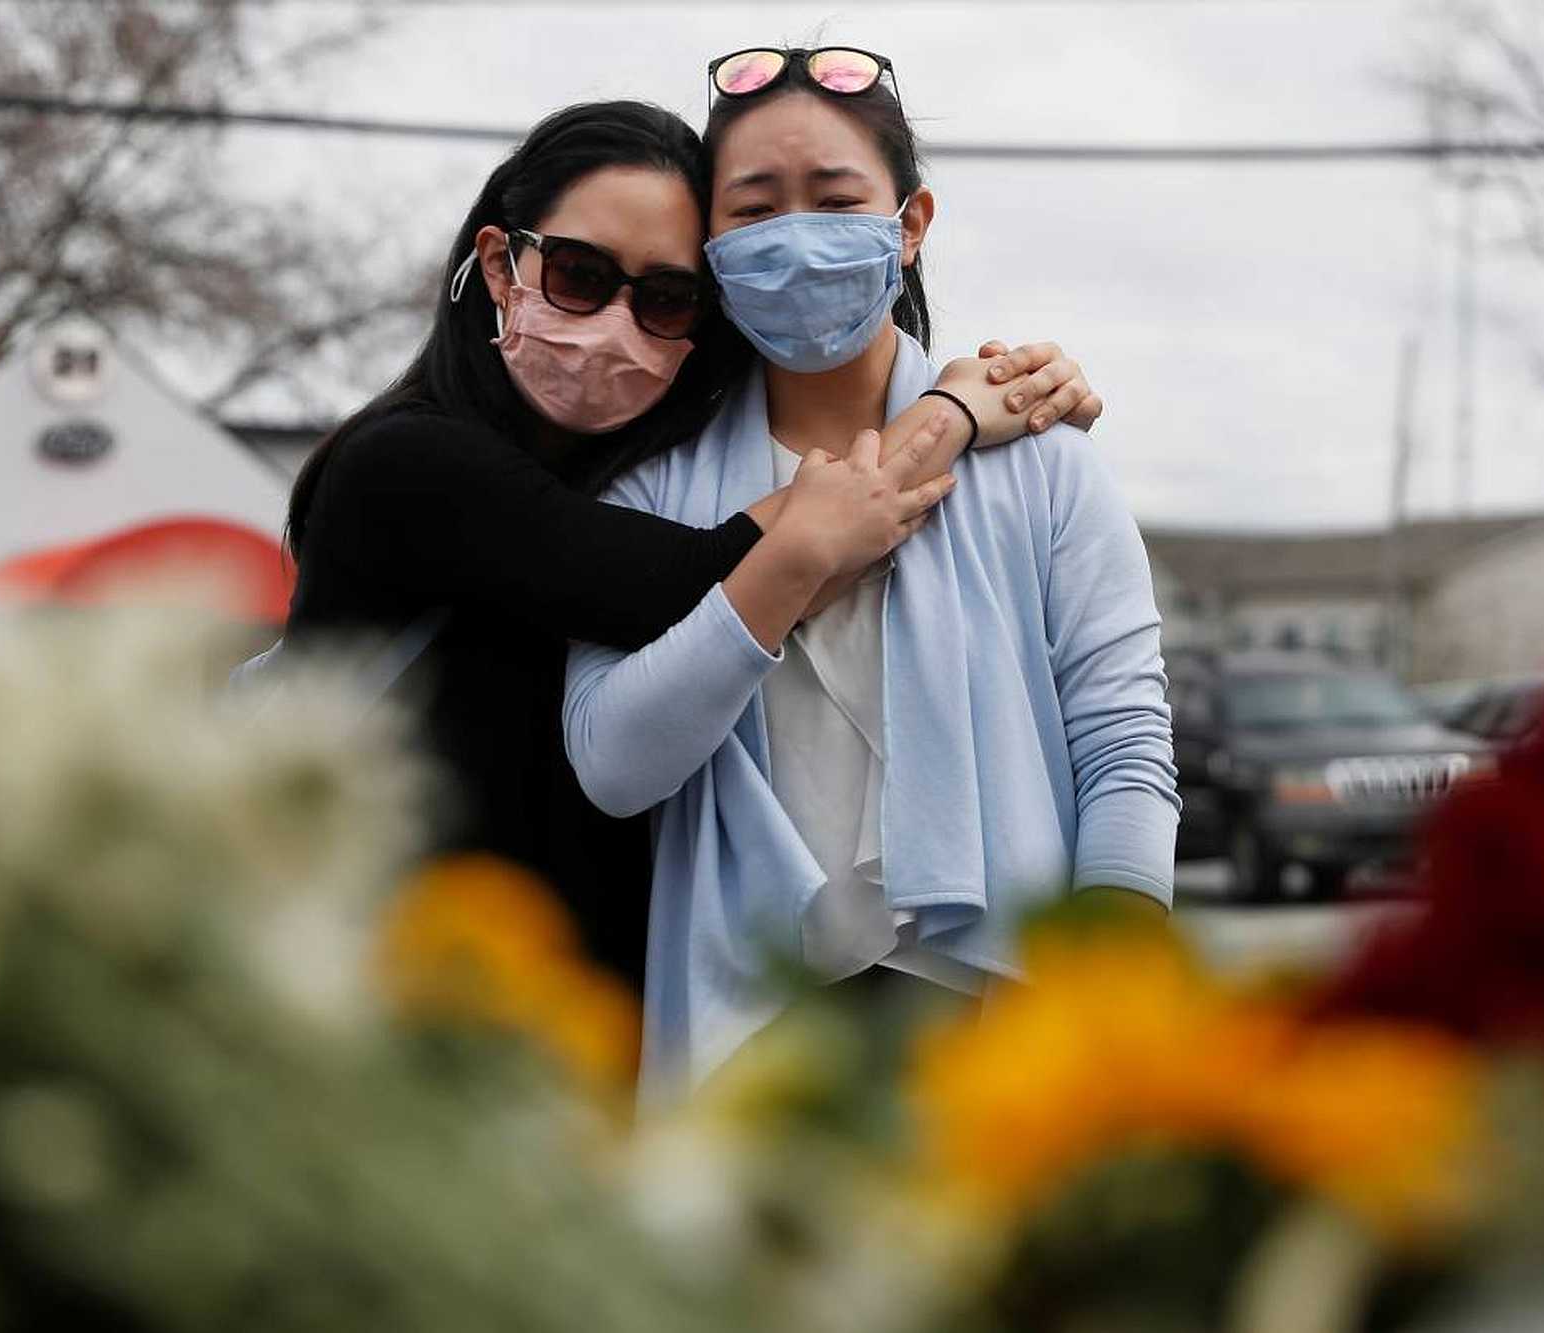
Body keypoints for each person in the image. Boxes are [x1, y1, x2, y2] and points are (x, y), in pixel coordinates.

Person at [284, 99, 1107, 998]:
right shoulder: (404, 464)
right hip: (398, 998)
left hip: (592, 1024)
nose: (615, 320)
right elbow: (684, 586)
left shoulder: (637, 466)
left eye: (667, 296)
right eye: (578, 274)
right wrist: (948, 416)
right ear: (497, 262)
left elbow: (1122, 729)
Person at [561, 49, 1180, 1100]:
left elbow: (1120, 743)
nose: (794, 235)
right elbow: (614, 763)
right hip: (746, 1032)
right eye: (752, 209)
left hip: (998, 1024)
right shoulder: (646, 487)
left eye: (834, 198)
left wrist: (1104, 1000)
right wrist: (794, 562)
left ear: (909, 224)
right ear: (708, 246)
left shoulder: (1040, 459)